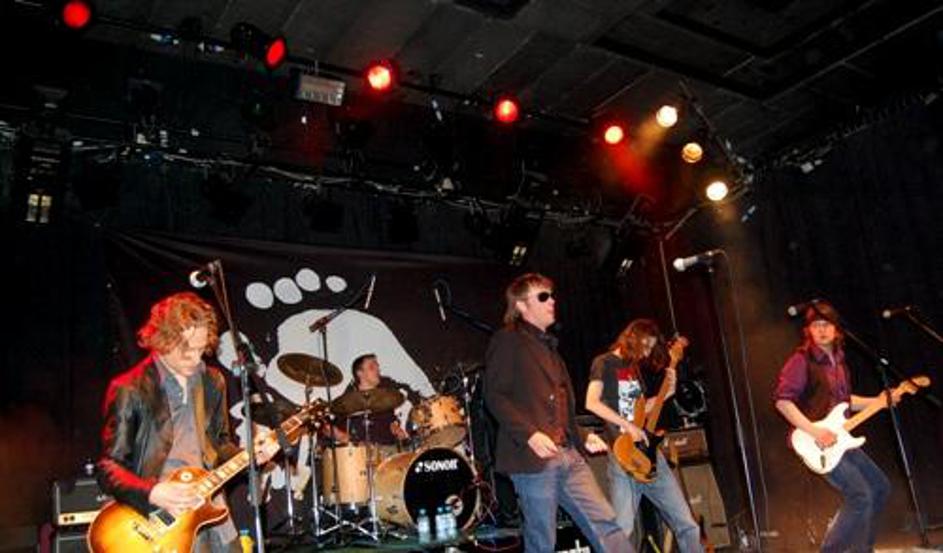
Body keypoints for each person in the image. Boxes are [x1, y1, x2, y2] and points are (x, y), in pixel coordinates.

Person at [97, 292, 276, 553]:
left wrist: (251, 457)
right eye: (187, 351)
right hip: (160, 520)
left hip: (212, 509)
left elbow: (219, 445)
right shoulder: (131, 388)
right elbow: (109, 468)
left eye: (201, 349)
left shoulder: (212, 382)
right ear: (163, 341)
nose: (196, 358)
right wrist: (152, 492)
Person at [484, 273, 633, 553]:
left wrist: (583, 436)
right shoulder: (508, 340)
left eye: (551, 295)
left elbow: (561, 406)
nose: (551, 301)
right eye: (543, 296)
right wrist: (529, 434)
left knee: (605, 523)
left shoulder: (550, 349)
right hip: (534, 458)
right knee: (543, 541)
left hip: (568, 454)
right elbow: (494, 395)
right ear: (521, 305)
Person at [774, 302, 891, 553]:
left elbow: (846, 401)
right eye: (816, 325)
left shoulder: (839, 362)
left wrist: (880, 401)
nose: (821, 329)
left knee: (880, 487)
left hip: (839, 439)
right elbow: (783, 402)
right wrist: (816, 432)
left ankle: (862, 549)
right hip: (815, 441)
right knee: (860, 496)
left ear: (837, 330)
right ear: (808, 331)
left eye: (826, 324)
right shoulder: (801, 360)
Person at [585, 319, 703, 552]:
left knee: (687, 523)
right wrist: (627, 426)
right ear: (632, 338)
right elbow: (591, 402)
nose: (647, 353)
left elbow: (641, 409)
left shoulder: (634, 370)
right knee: (622, 531)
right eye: (645, 346)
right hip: (624, 457)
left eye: (651, 347)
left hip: (649, 455)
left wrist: (666, 393)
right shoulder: (604, 363)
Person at [329, 353, 414, 447]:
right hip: (362, 452)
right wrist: (348, 439)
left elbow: (391, 422)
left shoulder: (384, 397)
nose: (378, 369)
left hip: (390, 450)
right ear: (360, 373)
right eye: (372, 367)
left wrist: (395, 428)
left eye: (377, 366)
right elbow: (329, 429)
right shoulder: (348, 402)